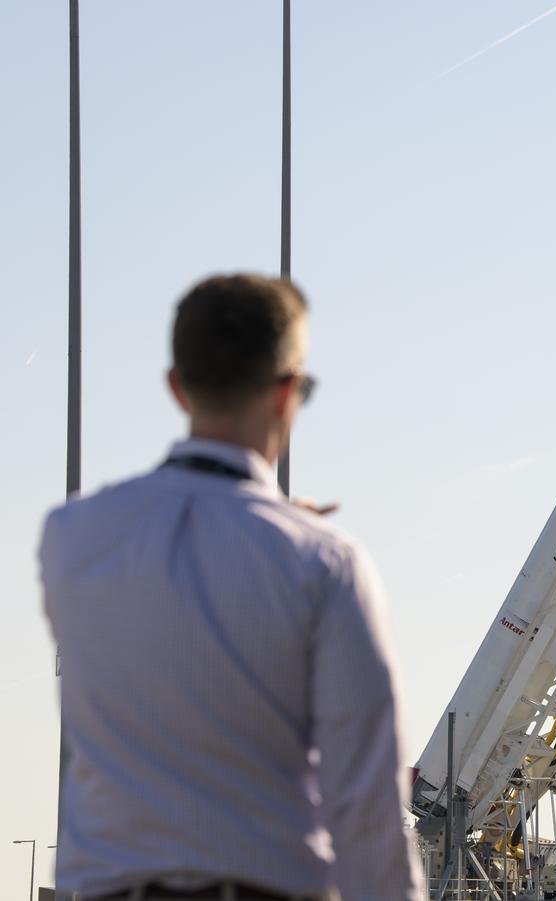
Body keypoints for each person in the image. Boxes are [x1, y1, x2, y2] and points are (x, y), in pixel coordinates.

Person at [40, 274, 423, 900]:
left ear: (176, 387)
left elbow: (184, 590)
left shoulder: (71, 539)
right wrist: (282, 527)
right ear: (288, 393)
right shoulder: (324, 563)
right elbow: (364, 800)